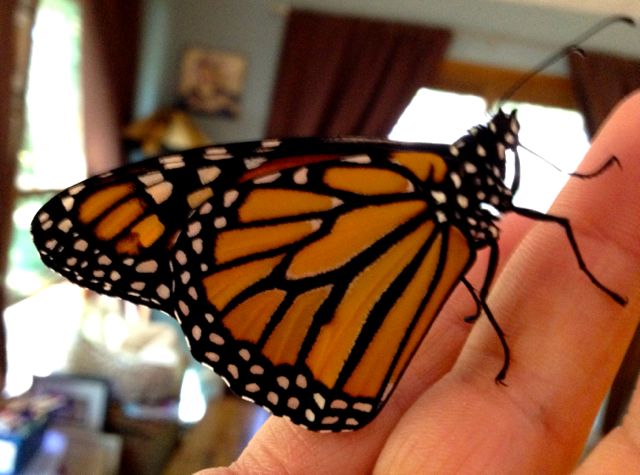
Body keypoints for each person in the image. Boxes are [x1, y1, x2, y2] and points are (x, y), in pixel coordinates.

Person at [198, 91, 640, 474]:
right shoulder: (427, 178)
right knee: (549, 225)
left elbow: (494, 216)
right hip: (293, 299)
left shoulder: (446, 200)